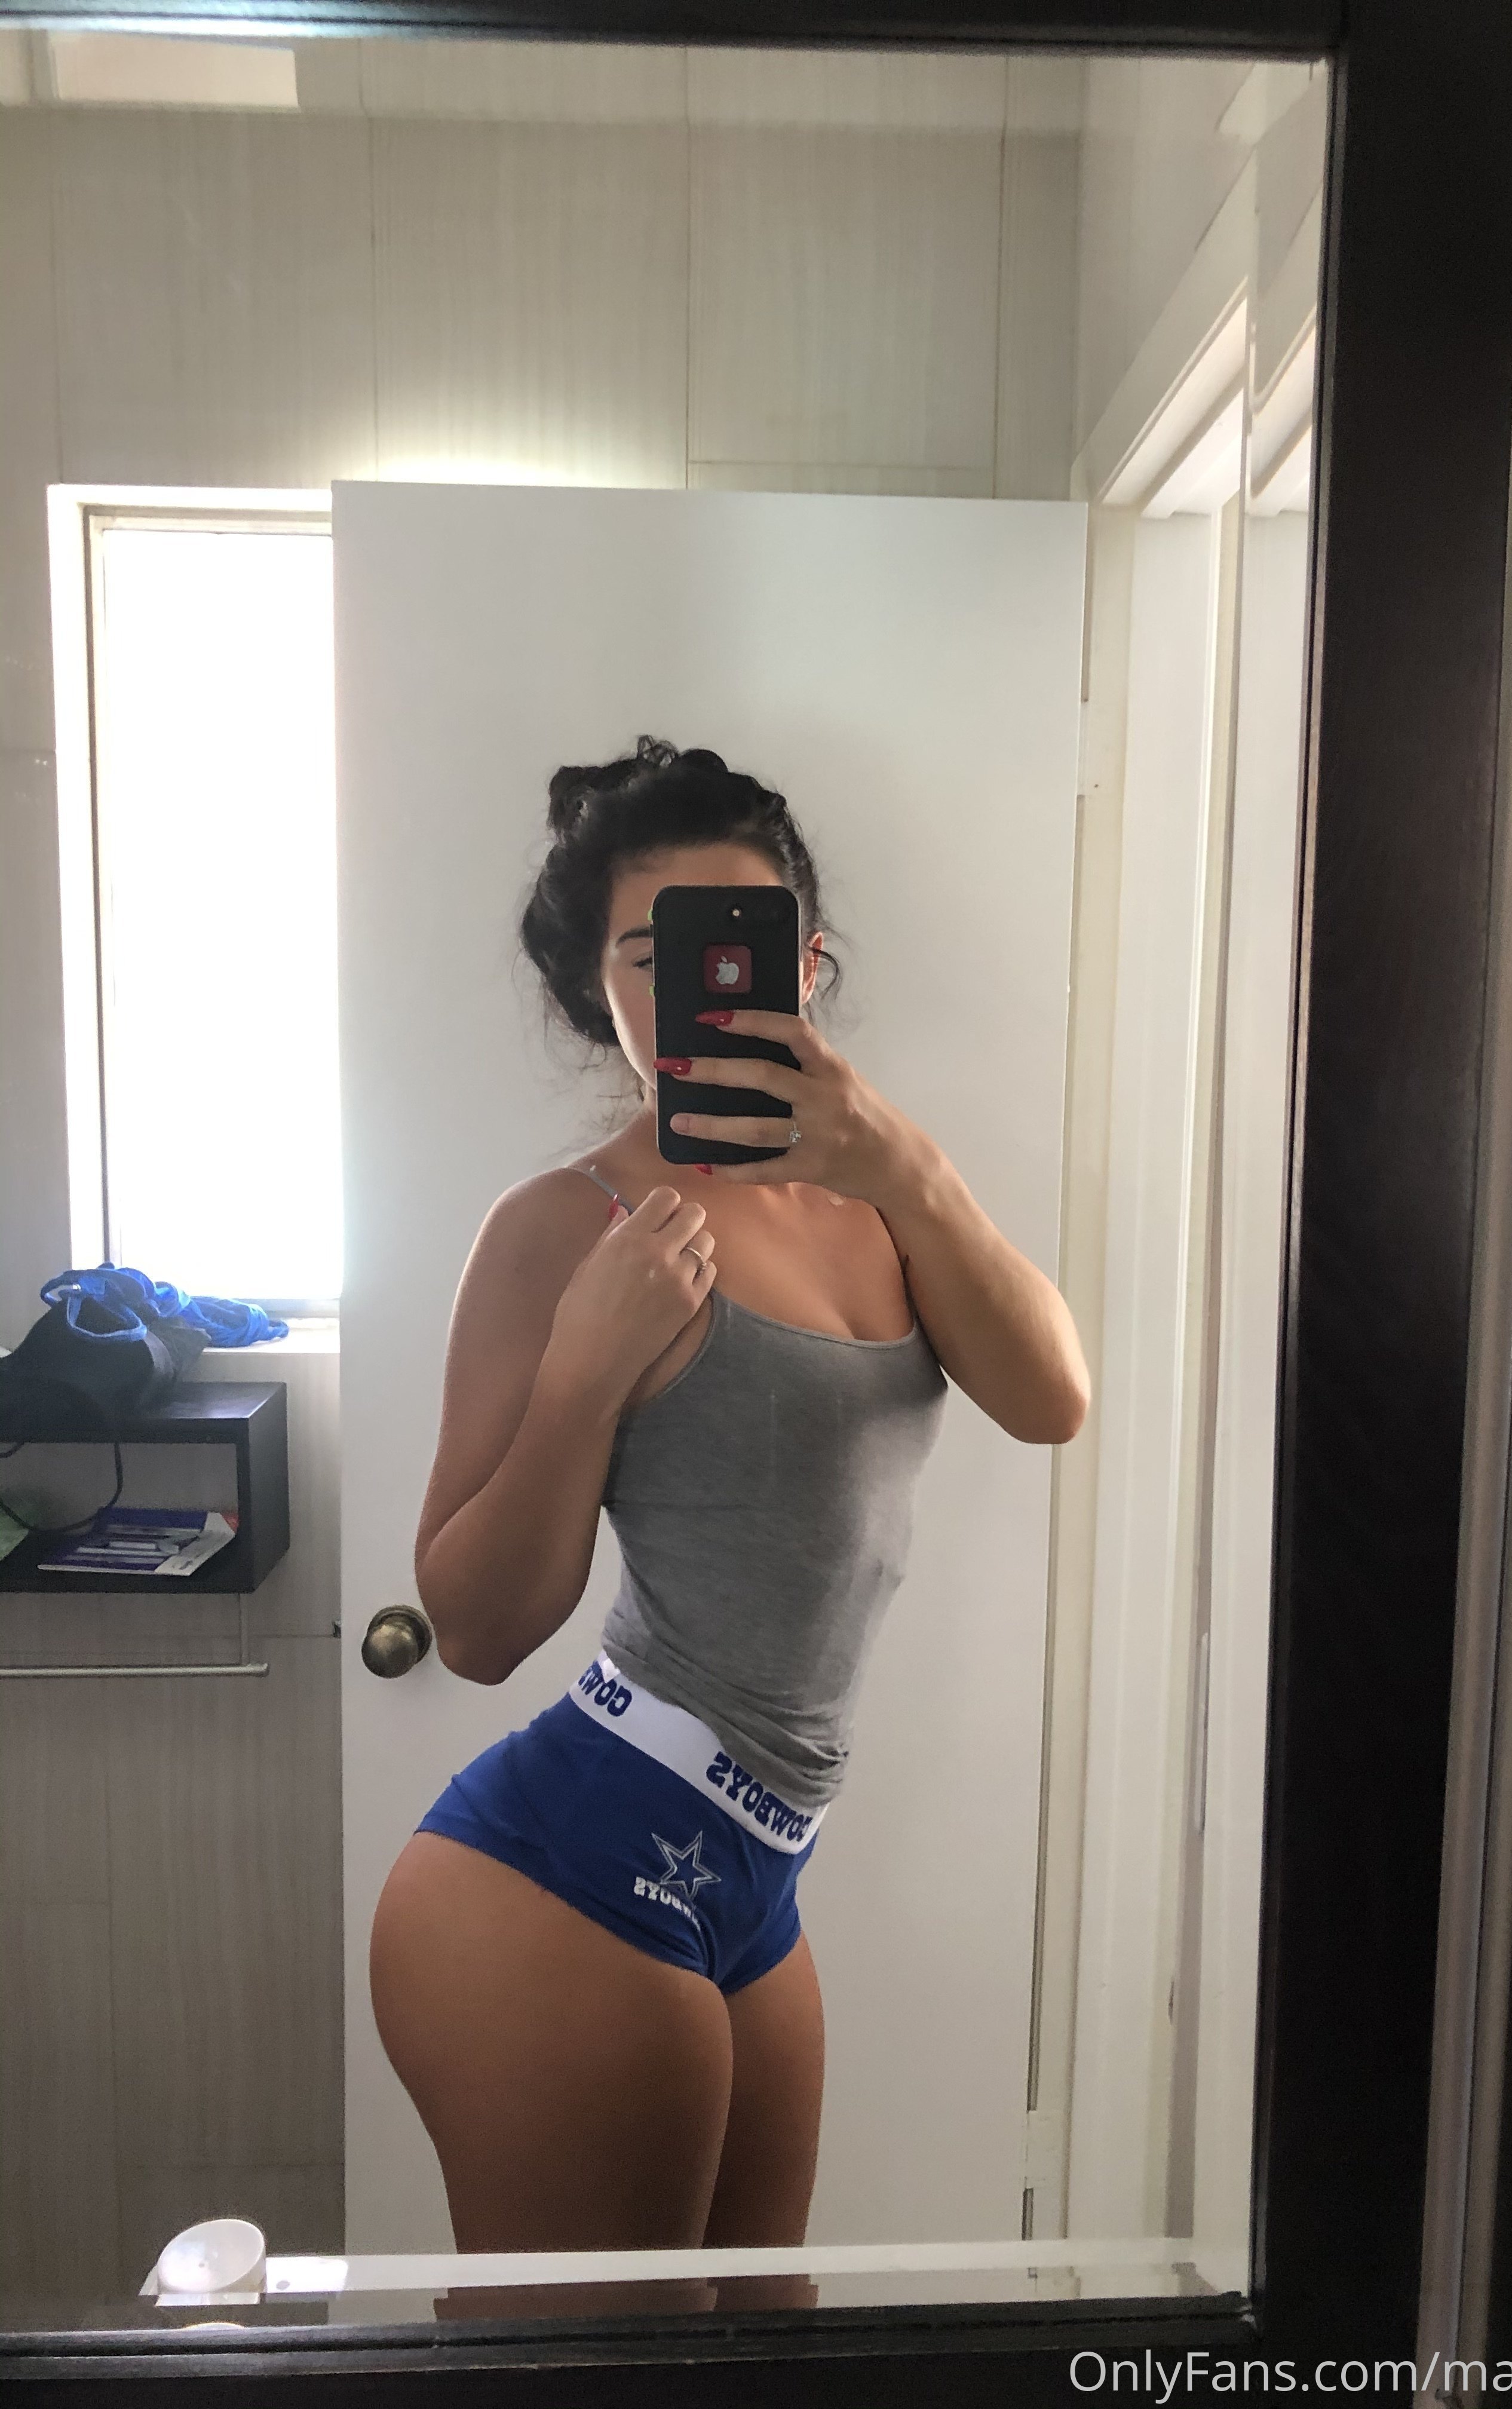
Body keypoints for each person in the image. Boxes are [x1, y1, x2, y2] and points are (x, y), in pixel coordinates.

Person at [369, 737, 1088, 2297]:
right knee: (600, 2367)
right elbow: (476, 1628)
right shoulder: (562, 1227)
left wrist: (910, 1165)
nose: (697, 986)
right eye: (649, 954)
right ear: (597, 993)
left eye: (742, 944)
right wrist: (583, 1373)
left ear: (804, 964)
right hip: (561, 1867)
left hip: (754, 1866)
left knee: (763, 2328)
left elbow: (1052, 1399)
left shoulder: (887, 1204)